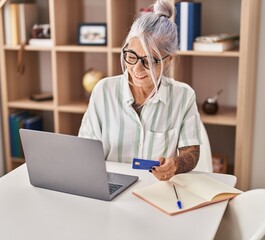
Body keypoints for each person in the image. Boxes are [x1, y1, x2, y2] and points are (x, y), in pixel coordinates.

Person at [78, 0, 201, 181]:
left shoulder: (183, 96)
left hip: (155, 189)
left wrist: (174, 164)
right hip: (109, 185)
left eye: (149, 61)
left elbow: (192, 151)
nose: (136, 69)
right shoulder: (103, 91)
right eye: (131, 56)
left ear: (169, 60)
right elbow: (84, 148)